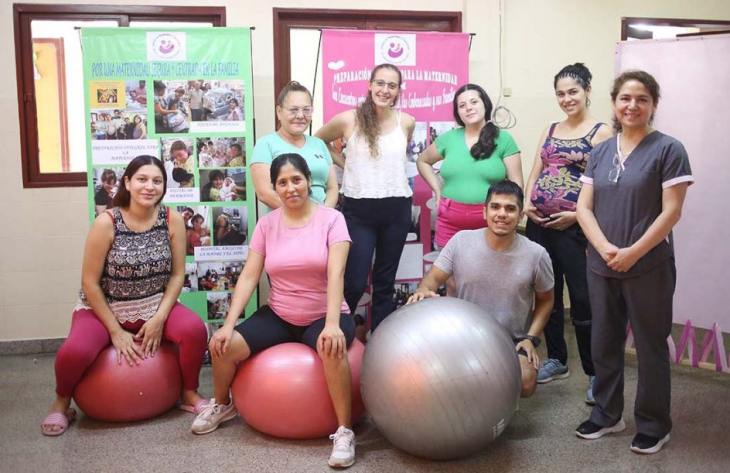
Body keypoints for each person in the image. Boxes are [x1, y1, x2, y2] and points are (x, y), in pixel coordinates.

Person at [191, 154, 357, 469]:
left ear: (309, 181)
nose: (290, 188)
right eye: (282, 182)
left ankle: (344, 431)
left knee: (331, 347)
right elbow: (249, 276)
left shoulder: (332, 219)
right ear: (275, 188)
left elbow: (336, 273)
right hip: (280, 314)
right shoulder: (267, 224)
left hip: (324, 313)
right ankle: (223, 404)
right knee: (222, 346)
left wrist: (333, 323)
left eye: (296, 180)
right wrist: (228, 324)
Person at [40, 155, 209, 436]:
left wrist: (159, 318)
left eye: (157, 181)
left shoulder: (172, 219)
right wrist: (115, 331)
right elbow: (90, 283)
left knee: (194, 330)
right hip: (104, 308)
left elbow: (177, 275)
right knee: (74, 352)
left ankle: (189, 392)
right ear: (128, 183)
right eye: (142, 179)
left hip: (154, 303)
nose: (150, 187)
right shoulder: (106, 222)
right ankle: (61, 403)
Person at [575, 70, 693, 454]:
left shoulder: (669, 150)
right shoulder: (600, 152)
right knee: (603, 341)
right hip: (601, 264)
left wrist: (632, 252)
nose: (632, 105)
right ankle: (608, 414)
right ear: (614, 103)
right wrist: (604, 248)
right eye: (625, 98)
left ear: (653, 105)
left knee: (650, 345)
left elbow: (672, 212)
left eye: (642, 99)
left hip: (648, 266)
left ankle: (655, 424)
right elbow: (583, 208)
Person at [407, 180, 554, 398]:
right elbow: (432, 280)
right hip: (464, 338)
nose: (502, 214)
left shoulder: (537, 254)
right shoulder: (461, 241)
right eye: (495, 207)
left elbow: (546, 300)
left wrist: (531, 338)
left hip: (511, 342)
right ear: (485, 212)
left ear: (521, 215)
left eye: (510, 208)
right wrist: (423, 290)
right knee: (433, 380)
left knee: (525, 383)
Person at [524, 63, 613, 401]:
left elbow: (607, 185)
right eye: (560, 93)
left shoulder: (602, 132)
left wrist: (577, 215)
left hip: (575, 229)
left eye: (573, 91)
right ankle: (557, 359)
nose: (566, 99)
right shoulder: (550, 128)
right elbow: (537, 169)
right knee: (546, 293)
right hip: (540, 226)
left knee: (582, 300)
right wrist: (528, 202)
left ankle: (594, 373)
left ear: (587, 90)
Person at [316, 64, 415, 331]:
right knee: (354, 282)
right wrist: (344, 162)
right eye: (380, 83)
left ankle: (380, 341)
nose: (385, 90)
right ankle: (337, 334)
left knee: (385, 283)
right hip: (359, 211)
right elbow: (318, 141)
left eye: (392, 85)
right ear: (370, 85)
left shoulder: (406, 122)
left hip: (396, 209)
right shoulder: (348, 119)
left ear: (398, 91)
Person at [417, 83, 523, 249]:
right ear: (458, 112)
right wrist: (437, 189)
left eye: (474, 102)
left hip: (492, 224)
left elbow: (517, 184)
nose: (468, 108)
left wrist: (512, 217)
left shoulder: (504, 139)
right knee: (446, 265)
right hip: (449, 224)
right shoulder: (449, 138)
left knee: (490, 266)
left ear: (485, 104)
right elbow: (422, 161)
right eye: (462, 105)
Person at [251, 81, 338, 209]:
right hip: (285, 219)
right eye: (293, 110)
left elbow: (332, 188)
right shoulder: (265, 144)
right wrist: (303, 216)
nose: (300, 116)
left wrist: (325, 215)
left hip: (323, 218)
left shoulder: (319, 144)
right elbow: (264, 193)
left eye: (306, 110)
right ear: (279, 112)